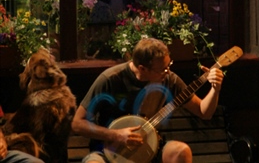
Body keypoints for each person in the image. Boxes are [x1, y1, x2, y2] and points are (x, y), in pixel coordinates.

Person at [71, 38, 224, 163]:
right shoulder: (110, 79)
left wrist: (215, 89)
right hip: (108, 150)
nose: (168, 71)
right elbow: (78, 123)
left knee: (181, 152)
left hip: (151, 148)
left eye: (169, 65)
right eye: (162, 69)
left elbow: (204, 112)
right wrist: (115, 135)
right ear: (143, 69)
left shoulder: (169, 79)